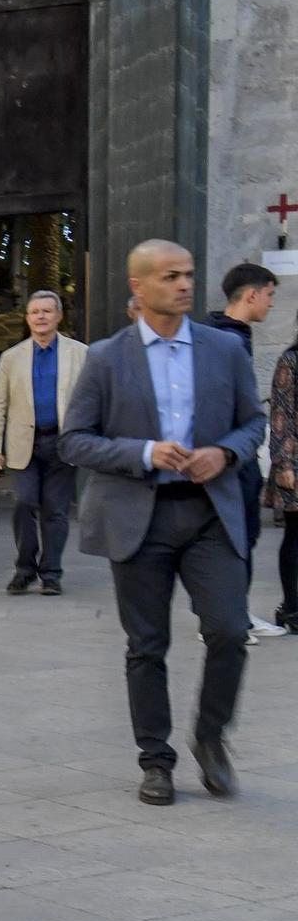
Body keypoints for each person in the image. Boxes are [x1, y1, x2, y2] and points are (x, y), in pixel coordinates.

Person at [61, 240, 265, 806]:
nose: (184, 285)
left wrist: (224, 453)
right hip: (140, 517)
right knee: (147, 645)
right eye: (171, 276)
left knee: (229, 628)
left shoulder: (224, 350)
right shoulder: (107, 357)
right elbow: (76, 440)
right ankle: (156, 759)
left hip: (208, 514)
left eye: (189, 275)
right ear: (139, 287)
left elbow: (253, 424)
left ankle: (210, 736)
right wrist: (144, 452)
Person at [0, 290, 89, 596]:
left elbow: (90, 400)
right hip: (23, 444)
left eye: (46, 311)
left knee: (55, 510)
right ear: (27, 318)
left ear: (58, 316)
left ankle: (51, 573)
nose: (40, 317)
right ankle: (25, 569)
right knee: (25, 502)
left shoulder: (79, 353)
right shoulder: (12, 357)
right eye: (35, 312)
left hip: (62, 443)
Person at [204, 261, 282, 639]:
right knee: (227, 539)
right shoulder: (222, 339)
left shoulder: (236, 335)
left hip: (242, 456)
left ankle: (239, 615)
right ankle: (215, 621)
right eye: (269, 295)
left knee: (246, 535)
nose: (270, 304)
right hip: (226, 457)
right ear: (251, 294)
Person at [266, 333, 298, 633]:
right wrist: (284, 464)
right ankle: (291, 607)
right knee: (295, 535)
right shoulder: (291, 360)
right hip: (295, 459)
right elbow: (280, 414)